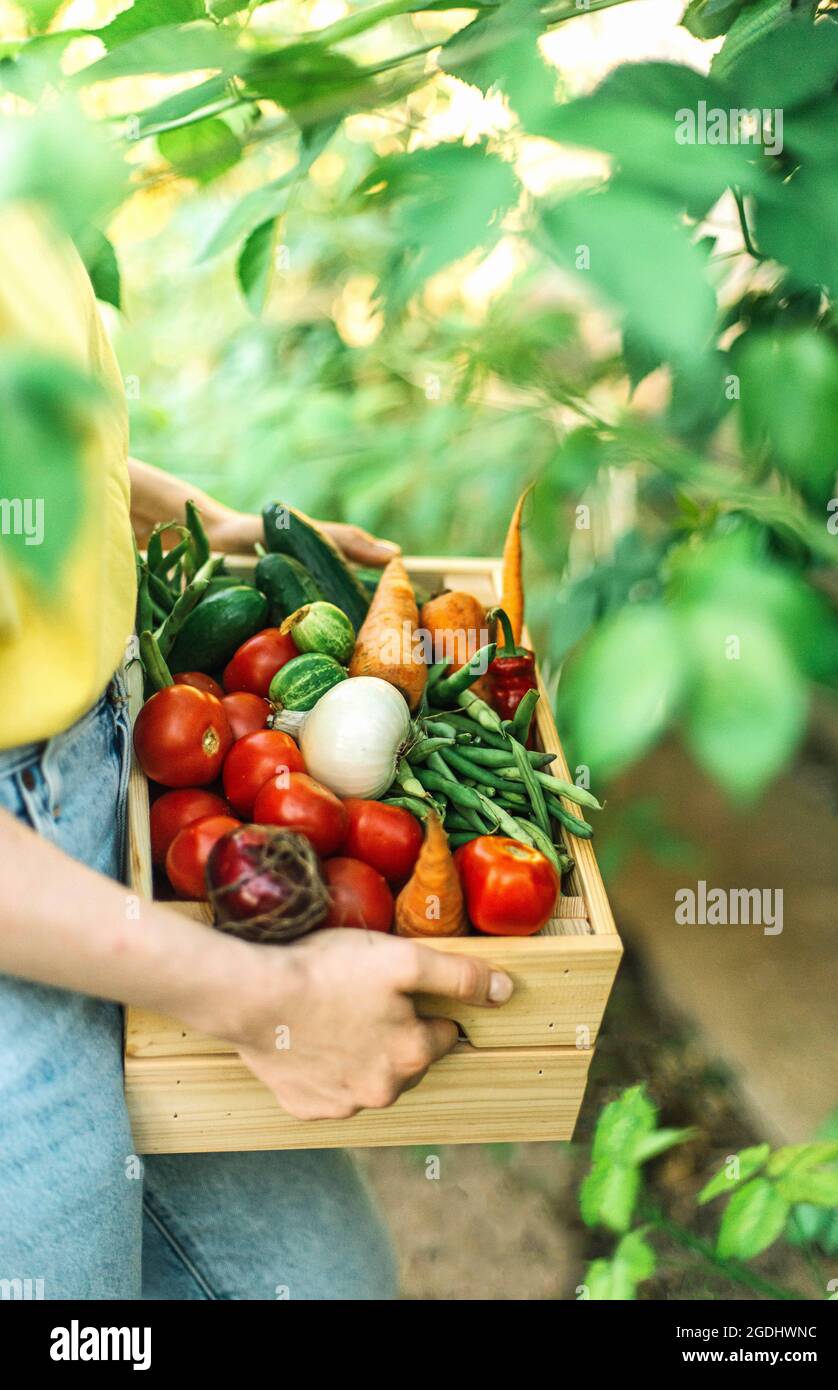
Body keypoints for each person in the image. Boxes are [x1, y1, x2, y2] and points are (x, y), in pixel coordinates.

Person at [0, 204, 513, 1301]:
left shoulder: (22, 149)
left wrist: (202, 520)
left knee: (326, 1282)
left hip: (124, 773)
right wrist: (253, 995)